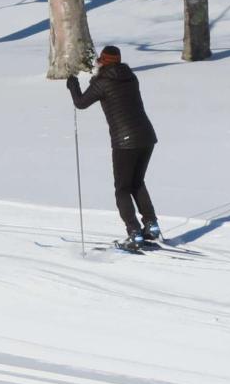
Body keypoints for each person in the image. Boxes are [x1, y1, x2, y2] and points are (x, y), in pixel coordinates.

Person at [67, 44, 160, 251]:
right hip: (146, 136)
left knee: (122, 189)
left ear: (103, 61)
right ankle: (151, 225)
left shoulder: (103, 82)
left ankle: (134, 232)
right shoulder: (131, 77)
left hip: (125, 141)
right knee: (137, 183)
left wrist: (72, 85)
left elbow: (81, 103)